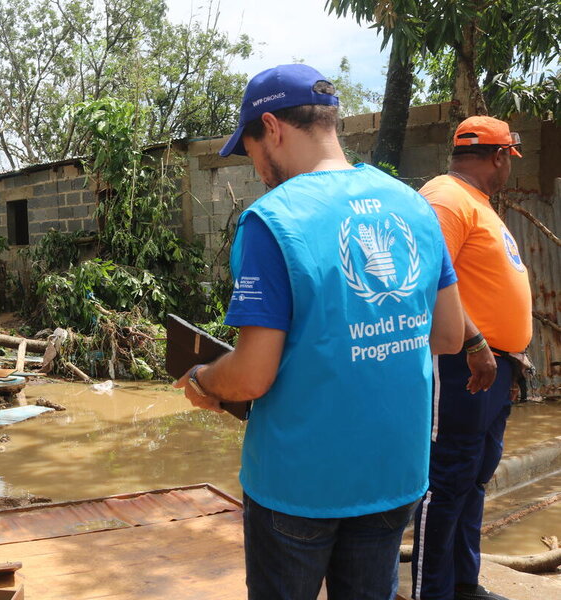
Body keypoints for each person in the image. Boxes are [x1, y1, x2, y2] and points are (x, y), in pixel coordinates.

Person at [173, 63, 465, 600]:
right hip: (393, 475)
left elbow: (253, 376)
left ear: (273, 127)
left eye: (252, 149)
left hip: (299, 487)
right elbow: (449, 336)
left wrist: (204, 379)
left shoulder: (272, 221)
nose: (257, 167)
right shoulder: (414, 205)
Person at [411, 116, 532, 600]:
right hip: (463, 363)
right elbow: (424, 283)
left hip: (493, 365)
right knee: (448, 478)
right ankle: (430, 591)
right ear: (500, 156)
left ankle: (463, 583)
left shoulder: (476, 203)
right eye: (509, 161)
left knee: (473, 476)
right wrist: (475, 342)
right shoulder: (445, 198)